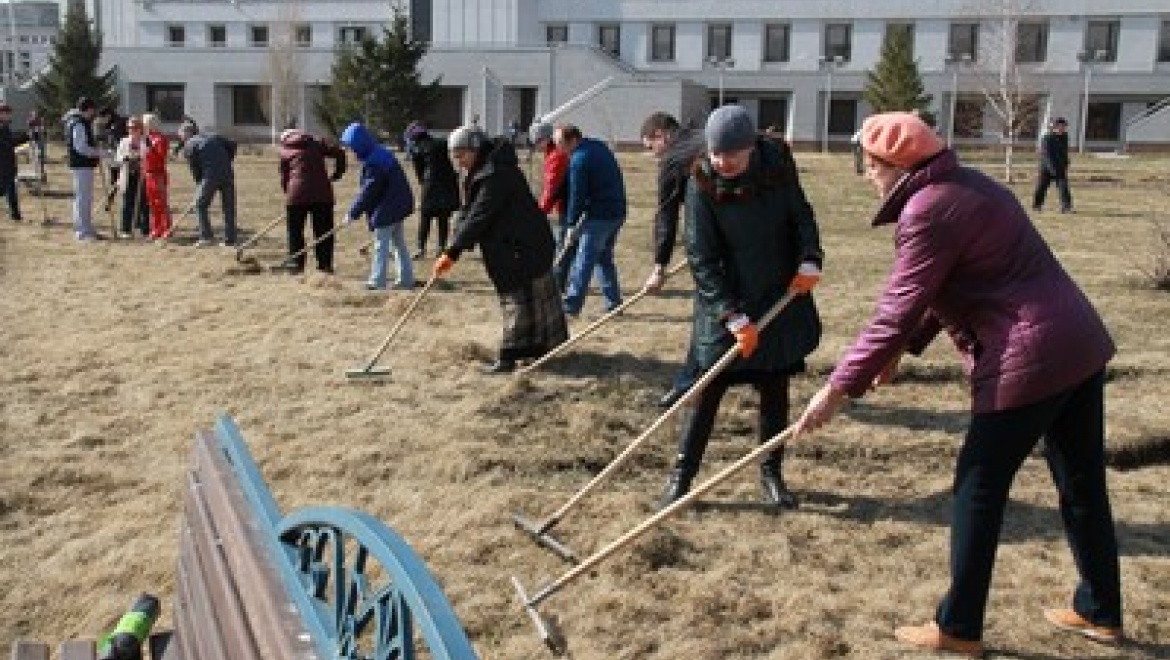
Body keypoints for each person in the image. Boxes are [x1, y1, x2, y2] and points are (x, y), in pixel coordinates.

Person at [795, 112, 1122, 657]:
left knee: (978, 486)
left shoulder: (928, 209)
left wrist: (836, 389)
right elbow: (944, 286)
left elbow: (897, 308)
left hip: (1032, 356)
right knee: (1082, 481)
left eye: (870, 166)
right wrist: (899, 352)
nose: (866, 176)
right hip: (1078, 344)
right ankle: (1101, 610)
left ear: (896, 165)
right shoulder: (970, 184)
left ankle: (959, 627)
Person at [656, 104, 824, 513]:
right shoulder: (702, 183)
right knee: (707, 387)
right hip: (726, 301)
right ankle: (682, 478)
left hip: (778, 292)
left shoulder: (778, 167)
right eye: (717, 154)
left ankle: (771, 473)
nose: (723, 162)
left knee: (774, 386)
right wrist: (731, 315)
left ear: (751, 148)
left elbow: (801, 215)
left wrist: (810, 257)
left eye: (732, 154)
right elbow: (701, 258)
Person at [432, 126, 569, 374]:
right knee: (522, 299)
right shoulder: (478, 172)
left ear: (475, 149)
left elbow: (481, 214)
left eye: (462, 155)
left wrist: (453, 251)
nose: (458, 162)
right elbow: (469, 211)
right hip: (510, 245)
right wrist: (454, 240)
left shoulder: (498, 173)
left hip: (524, 246)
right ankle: (532, 352)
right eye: (455, 156)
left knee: (519, 300)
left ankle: (509, 359)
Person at [638, 111, 707, 407]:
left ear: (661, 136)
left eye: (649, 147)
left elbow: (666, 215)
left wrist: (659, 267)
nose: (653, 155)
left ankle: (688, 385)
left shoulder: (674, 158)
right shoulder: (705, 135)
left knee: (708, 315)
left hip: (718, 248)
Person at [555, 124, 627, 317]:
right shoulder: (598, 146)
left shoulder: (579, 159)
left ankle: (571, 305)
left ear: (573, 140)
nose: (558, 148)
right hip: (617, 212)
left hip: (600, 216)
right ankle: (614, 303)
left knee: (583, 260)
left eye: (561, 143)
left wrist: (571, 225)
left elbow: (577, 195)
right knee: (604, 259)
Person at [339, 122, 415, 291]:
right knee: (398, 243)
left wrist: (353, 213)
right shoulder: (380, 153)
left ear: (359, 145)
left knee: (382, 245)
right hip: (398, 204)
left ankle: (377, 281)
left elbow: (369, 191)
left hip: (389, 207)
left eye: (350, 147)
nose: (349, 152)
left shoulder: (374, 162)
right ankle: (406, 280)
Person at [278, 127, 347, 274]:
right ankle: (325, 265)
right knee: (323, 232)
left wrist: (289, 194)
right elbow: (339, 152)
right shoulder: (316, 143)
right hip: (322, 195)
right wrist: (338, 173)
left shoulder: (284, 150)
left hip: (296, 195)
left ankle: (296, 265)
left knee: (295, 232)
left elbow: (284, 177)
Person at [179, 123, 238, 247]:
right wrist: (226, 161)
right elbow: (232, 145)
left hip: (210, 176)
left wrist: (200, 187)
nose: (181, 139)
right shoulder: (213, 136)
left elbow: (195, 170)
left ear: (186, 134)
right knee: (229, 207)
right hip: (227, 173)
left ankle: (206, 237)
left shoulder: (190, 145)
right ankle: (230, 239)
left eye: (181, 135)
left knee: (200, 205)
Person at [529, 120, 570, 288]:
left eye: (538, 141)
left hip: (567, 205)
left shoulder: (556, 156)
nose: (536, 146)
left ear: (546, 139)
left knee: (562, 244)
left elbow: (551, 188)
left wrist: (540, 212)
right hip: (563, 204)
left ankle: (558, 282)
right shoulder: (552, 153)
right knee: (562, 243)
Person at [409, 127, 460, 259]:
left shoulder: (417, 148)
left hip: (430, 184)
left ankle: (421, 248)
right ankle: (441, 247)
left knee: (426, 217)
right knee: (443, 217)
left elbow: (419, 170)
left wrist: (423, 182)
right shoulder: (442, 143)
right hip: (447, 182)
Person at [62, 96, 105, 240]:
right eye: (93, 110)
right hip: (81, 165)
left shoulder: (78, 122)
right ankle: (82, 231)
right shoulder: (78, 123)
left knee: (84, 198)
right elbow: (80, 147)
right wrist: (98, 152)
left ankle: (86, 228)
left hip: (83, 165)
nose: (94, 113)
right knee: (83, 198)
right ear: (88, 109)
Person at [114, 115, 150, 238]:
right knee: (127, 202)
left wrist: (141, 158)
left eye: (134, 127)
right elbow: (118, 157)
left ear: (140, 128)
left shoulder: (145, 141)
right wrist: (125, 158)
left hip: (142, 175)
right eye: (129, 128)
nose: (132, 130)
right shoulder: (124, 141)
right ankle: (126, 230)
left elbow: (149, 155)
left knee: (144, 203)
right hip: (128, 174)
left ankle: (145, 230)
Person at [140, 113, 172, 240]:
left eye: (146, 123)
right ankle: (156, 228)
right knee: (152, 203)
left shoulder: (160, 138)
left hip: (158, 174)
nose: (144, 126)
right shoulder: (147, 137)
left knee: (161, 202)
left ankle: (166, 229)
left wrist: (151, 147)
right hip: (148, 173)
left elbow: (162, 156)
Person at [1033, 116, 1072, 214]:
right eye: (1060, 126)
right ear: (1055, 127)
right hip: (1046, 168)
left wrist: (1066, 162)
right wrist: (1052, 168)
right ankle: (1037, 206)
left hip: (1060, 167)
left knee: (1064, 187)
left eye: (1064, 126)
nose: (1063, 128)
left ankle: (1066, 207)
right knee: (1042, 187)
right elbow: (1046, 155)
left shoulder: (1065, 137)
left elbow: (1064, 151)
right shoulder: (1047, 138)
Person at [96, 106, 128, 212]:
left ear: (108, 116)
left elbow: (114, 138)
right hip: (113, 157)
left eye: (102, 117)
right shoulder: (109, 124)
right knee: (114, 180)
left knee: (122, 181)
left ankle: (118, 202)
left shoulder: (118, 124)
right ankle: (110, 200)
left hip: (122, 156)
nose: (101, 120)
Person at [0, 103, 27, 222]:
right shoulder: (1, 127)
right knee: (10, 189)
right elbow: (9, 142)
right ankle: (15, 215)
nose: (10, 116)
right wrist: (25, 138)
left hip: (7, 163)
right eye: (8, 113)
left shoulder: (5, 126)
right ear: (1, 114)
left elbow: (11, 141)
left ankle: (15, 215)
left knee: (9, 189)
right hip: (3, 164)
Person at [26, 109, 46, 177]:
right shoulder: (30, 121)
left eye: (36, 114)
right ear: (32, 115)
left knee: (41, 156)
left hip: (40, 140)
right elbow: (29, 131)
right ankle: (35, 171)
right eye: (34, 114)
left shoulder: (41, 120)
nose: (35, 116)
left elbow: (43, 130)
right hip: (33, 140)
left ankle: (42, 171)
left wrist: (40, 129)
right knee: (34, 156)